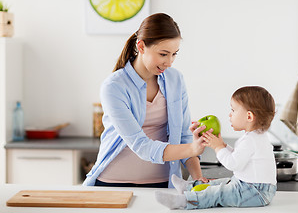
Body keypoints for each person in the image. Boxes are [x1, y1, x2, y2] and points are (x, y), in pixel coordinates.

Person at [83, 13, 209, 188]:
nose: (169, 62)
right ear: (141, 47)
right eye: (163, 54)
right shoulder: (114, 86)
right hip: (113, 183)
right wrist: (192, 148)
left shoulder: (175, 80)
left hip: (164, 183)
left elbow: (184, 136)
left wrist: (198, 178)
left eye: (174, 54)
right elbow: (141, 146)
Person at [155, 86, 277, 209]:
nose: (230, 115)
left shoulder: (251, 140)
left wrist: (218, 147)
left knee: (218, 193)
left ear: (249, 116)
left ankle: (184, 201)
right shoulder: (255, 137)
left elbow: (233, 164)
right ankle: (189, 187)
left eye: (233, 110)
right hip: (252, 187)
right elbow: (238, 156)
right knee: (220, 183)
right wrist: (222, 145)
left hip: (256, 192)